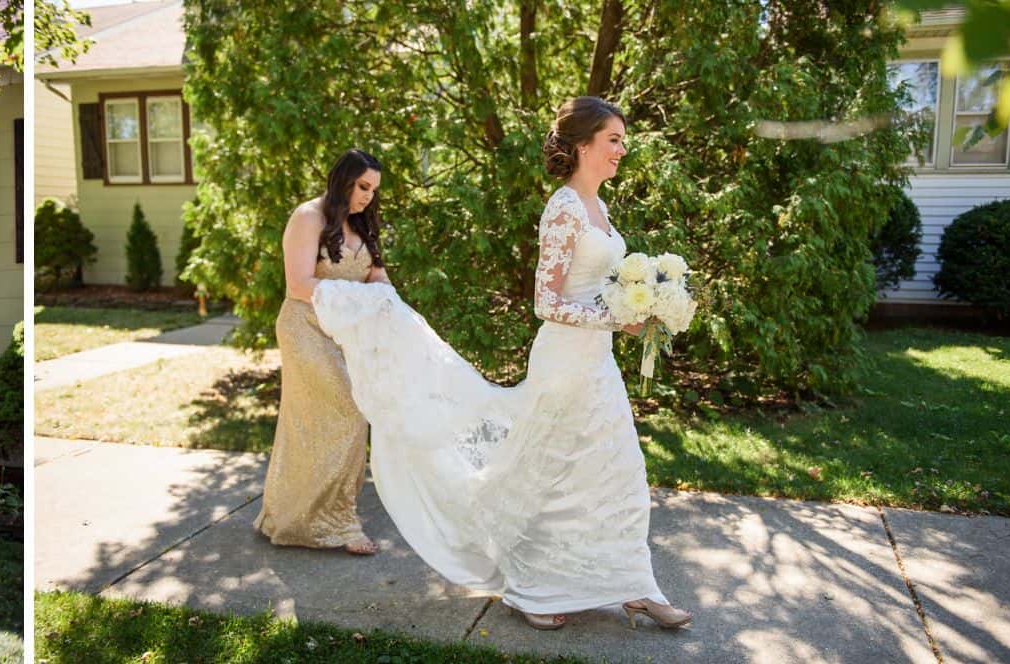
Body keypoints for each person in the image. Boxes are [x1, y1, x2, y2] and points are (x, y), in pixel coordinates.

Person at [310, 97, 693, 631]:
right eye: (614, 140)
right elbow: (547, 301)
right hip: (563, 363)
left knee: (618, 473)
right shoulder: (563, 207)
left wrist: (642, 303)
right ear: (583, 145)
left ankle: (635, 587)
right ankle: (536, 589)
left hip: (597, 364)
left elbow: (599, 290)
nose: (621, 150)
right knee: (550, 474)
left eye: (622, 141)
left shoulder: (599, 208)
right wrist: (617, 318)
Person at [253, 149, 393, 556]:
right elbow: (298, 284)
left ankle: (302, 514)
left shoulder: (361, 224)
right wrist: (359, 298)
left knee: (336, 418)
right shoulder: (307, 217)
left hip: (345, 334)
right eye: (363, 186)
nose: (368, 196)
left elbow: (377, 276)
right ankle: (338, 523)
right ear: (343, 180)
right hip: (305, 328)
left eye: (374, 190)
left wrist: (390, 304)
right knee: (345, 411)